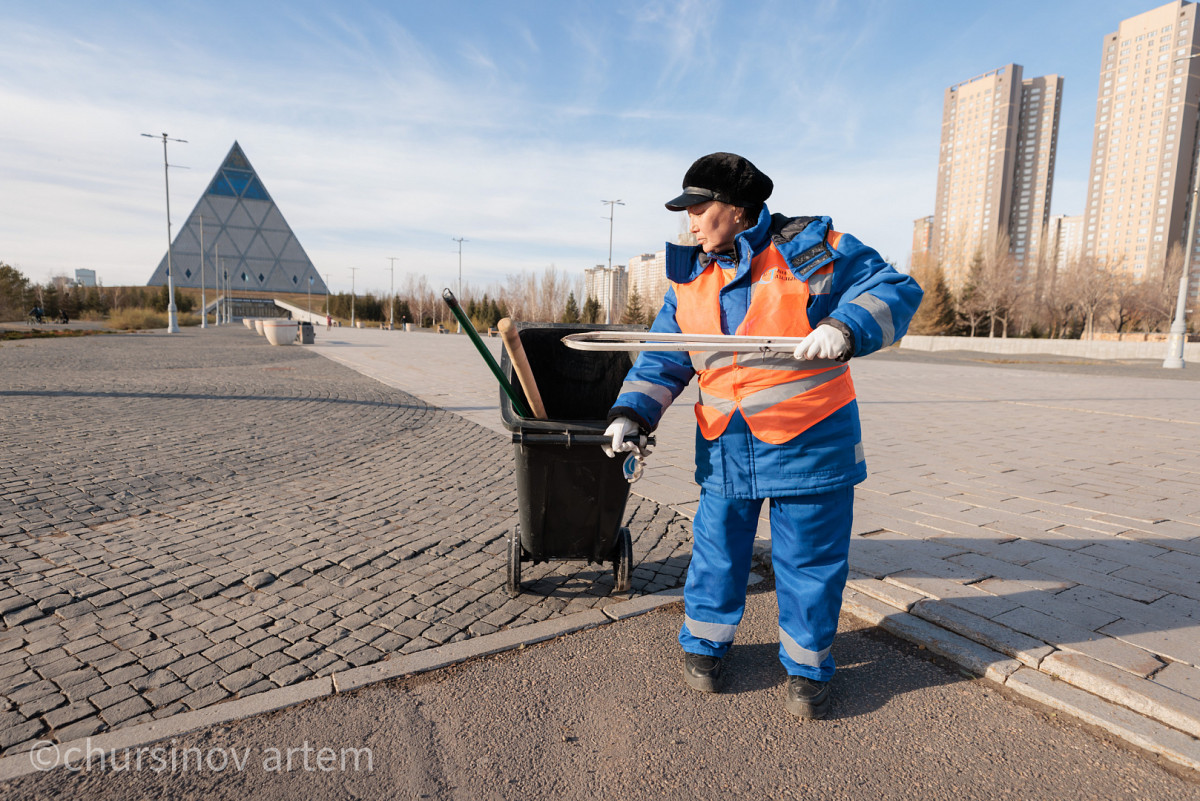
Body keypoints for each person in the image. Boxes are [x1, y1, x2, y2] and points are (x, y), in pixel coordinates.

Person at [603, 152, 922, 719]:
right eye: (688, 213)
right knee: (716, 555)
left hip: (812, 445)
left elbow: (893, 288)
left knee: (810, 562)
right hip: (727, 446)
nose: (691, 223)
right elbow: (664, 358)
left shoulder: (810, 249)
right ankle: (704, 646)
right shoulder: (691, 275)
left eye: (699, 209)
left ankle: (808, 667)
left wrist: (843, 326)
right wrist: (633, 414)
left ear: (738, 209)